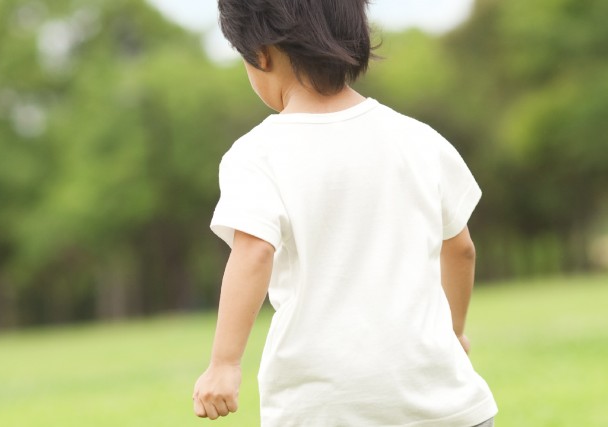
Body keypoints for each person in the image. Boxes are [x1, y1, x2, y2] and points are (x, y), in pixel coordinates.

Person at [192, 1, 497, 425]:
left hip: (325, 408)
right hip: (448, 405)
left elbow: (253, 253)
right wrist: (453, 331)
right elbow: (460, 249)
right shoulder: (419, 140)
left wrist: (224, 364)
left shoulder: (257, 154)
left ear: (260, 53)